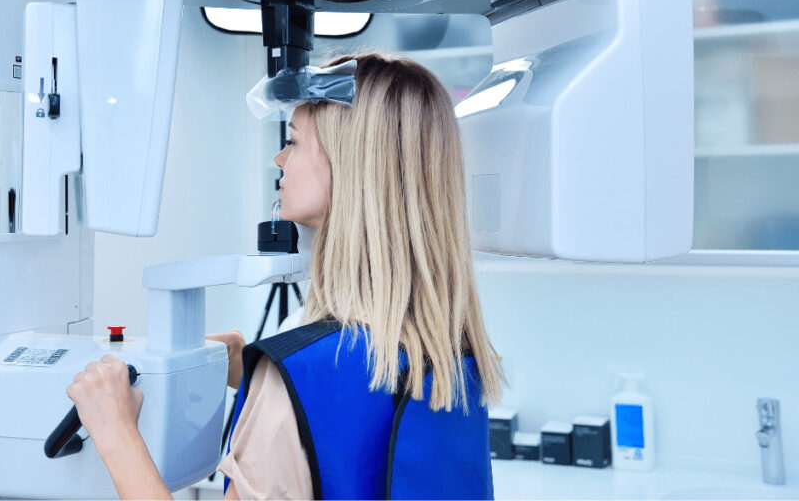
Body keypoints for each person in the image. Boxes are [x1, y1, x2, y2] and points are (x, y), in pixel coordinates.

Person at [65, 53, 506, 500]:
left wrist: (116, 432)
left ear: (345, 166)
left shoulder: (297, 374)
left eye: (293, 142)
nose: (279, 158)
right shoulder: (451, 351)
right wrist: (253, 369)